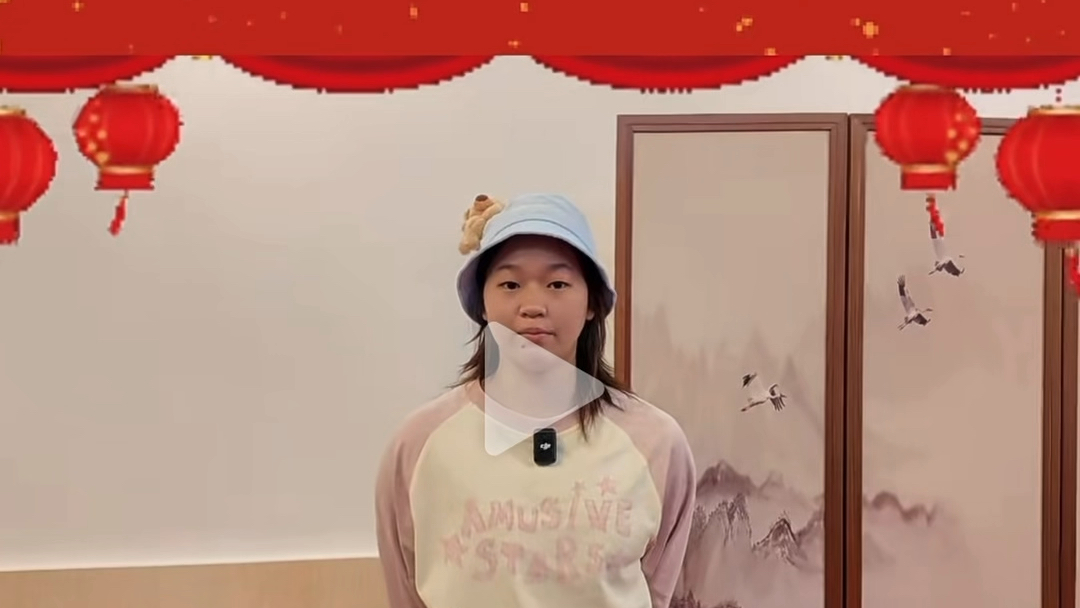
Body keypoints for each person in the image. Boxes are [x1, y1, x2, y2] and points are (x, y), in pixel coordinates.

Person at [374, 193, 696, 608]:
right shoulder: (418, 443)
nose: (532, 306)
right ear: (482, 304)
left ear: (593, 303)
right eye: (510, 284)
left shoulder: (656, 442)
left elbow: (655, 591)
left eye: (557, 284)